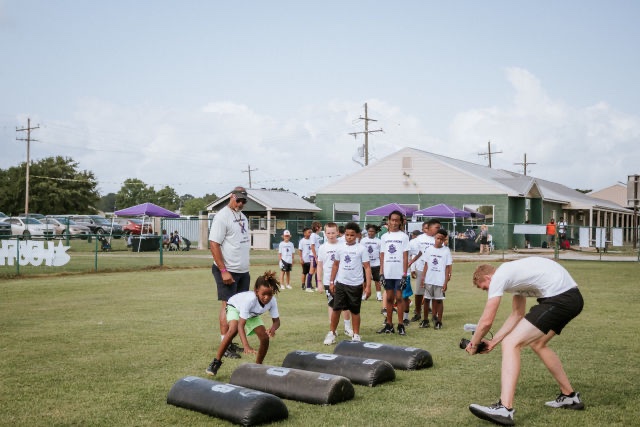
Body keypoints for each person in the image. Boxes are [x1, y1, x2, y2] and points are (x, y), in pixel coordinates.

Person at [466, 257, 585, 426]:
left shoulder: (500, 275)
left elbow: (486, 321)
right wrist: (493, 342)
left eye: (484, 288)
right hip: (572, 299)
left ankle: (504, 409)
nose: (487, 291)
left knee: (511, 343)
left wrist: (473, 343)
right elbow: (517, 314)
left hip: (560, 299)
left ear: (487, 278)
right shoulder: (513, 279)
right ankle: (570, 397)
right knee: (538, 344)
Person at [205, 271, 281, 376]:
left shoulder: (272, 301)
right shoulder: (250, 300)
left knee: (264, 337)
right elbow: (241, 325)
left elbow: (277, 321)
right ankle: (216, 362)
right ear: (256, 291)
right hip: (235, 307)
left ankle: (258, 366)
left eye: (270, 294)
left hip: (251, 314)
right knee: (233, 329)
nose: (267, 298)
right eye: (264, 294)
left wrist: (272, 329)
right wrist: (246, 346)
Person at [209, 186, 251, 359]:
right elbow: (214, 244)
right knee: (227, 307)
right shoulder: (222, 217)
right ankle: (224, 345)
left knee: (238, 308)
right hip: (228, 271)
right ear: (231, 196)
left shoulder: (242, 216)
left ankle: (231, 342)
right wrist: (224, 271)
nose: (240, 203)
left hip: (242, 270)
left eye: (243, 201)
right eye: (238, 200)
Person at [328, 222, 372, 343]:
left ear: (357, 235)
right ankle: (331, 333)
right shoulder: (340, 247)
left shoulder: (361, 249)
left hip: (356, 285)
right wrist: (332, 282)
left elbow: (367, 267)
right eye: (347, 235)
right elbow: (335, 265)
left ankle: (356, 335)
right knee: (336, 309)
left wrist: (368, 286)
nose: (349, 237)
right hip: (341, 283)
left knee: (355, 311)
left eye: (352, 235)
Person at [318, 222, 353, 344]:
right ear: (325, 233)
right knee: (332, 304)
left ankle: (348, 327)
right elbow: (320, 265)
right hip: (329, 280)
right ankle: (333, 329)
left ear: (338, 232)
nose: (331, 235)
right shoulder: (322, 248)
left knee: (345, 305)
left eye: (333, 232)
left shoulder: (343, 245)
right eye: (328, 233)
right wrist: (319, 282)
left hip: (343, 280)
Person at [378, 210, 409, 335]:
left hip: (399, 273)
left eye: (397, 220)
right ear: (388, 221)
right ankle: (389, 324)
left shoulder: (404, 236)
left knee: (399, 298)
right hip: (387, 272)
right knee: (389, 298)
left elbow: (406, 256)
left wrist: (405, 273)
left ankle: (401, 325)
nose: (395, 222)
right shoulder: (384, 237)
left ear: (401, 222)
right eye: (392, 220)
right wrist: (381, 272)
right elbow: (382, 255)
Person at [408, 219, 441, 326]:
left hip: (434, 270)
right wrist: (412, 267)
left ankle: (434, 315)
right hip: (421, 268)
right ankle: (417, 312)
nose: (438, 229)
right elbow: (414, 253)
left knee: (434, 293)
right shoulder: (419, 239)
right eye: (436, 227)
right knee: (419, 292)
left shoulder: (438, 239)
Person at [418, 229, 452, 329]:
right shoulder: (429, 249)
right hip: (429, 279)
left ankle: (439, 321)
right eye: (437, 238)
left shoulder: (446, 250)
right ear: (434, 238)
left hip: (439, 281)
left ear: (444, 240)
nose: (439, 241)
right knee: (427, 300)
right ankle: (425, 320)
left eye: (441, 239)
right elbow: (426, 265)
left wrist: (445, 282)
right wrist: (423, 279)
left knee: (439, 301)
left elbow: (447, 267)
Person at [360, 224, 382, 301]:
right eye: (369, 231)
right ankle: (364, 294)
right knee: (364, 280)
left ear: (375, 232)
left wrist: (382, 264)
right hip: (365, 264)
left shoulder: (379, 241)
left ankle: (379, 295)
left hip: (376, 263)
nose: (370, 232)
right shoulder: (363, 241)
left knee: (377, 280)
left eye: (372, 231)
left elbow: (380, 253)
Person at [298, 227, 314, 292]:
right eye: (309, 232)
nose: (310, 233)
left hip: (311, 259)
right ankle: (303, 284)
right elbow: (300, 250)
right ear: (304, 233)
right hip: (305, 259)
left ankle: (309, 284)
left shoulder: (312, 240)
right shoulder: (302, 241)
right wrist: (301, 259)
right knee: (304, 272)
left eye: (311, 232)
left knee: (311, 273)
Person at [308, 221, 322, 292]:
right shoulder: (313, 235)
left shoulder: (317, 236)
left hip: (318, 255)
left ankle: (317, 286)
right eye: (320, 226)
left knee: (317, 271)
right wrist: (315, 256)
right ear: (317, 227)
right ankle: (308, 287)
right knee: (312, 270)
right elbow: (312, 246)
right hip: (313, 256)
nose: (321, 227)